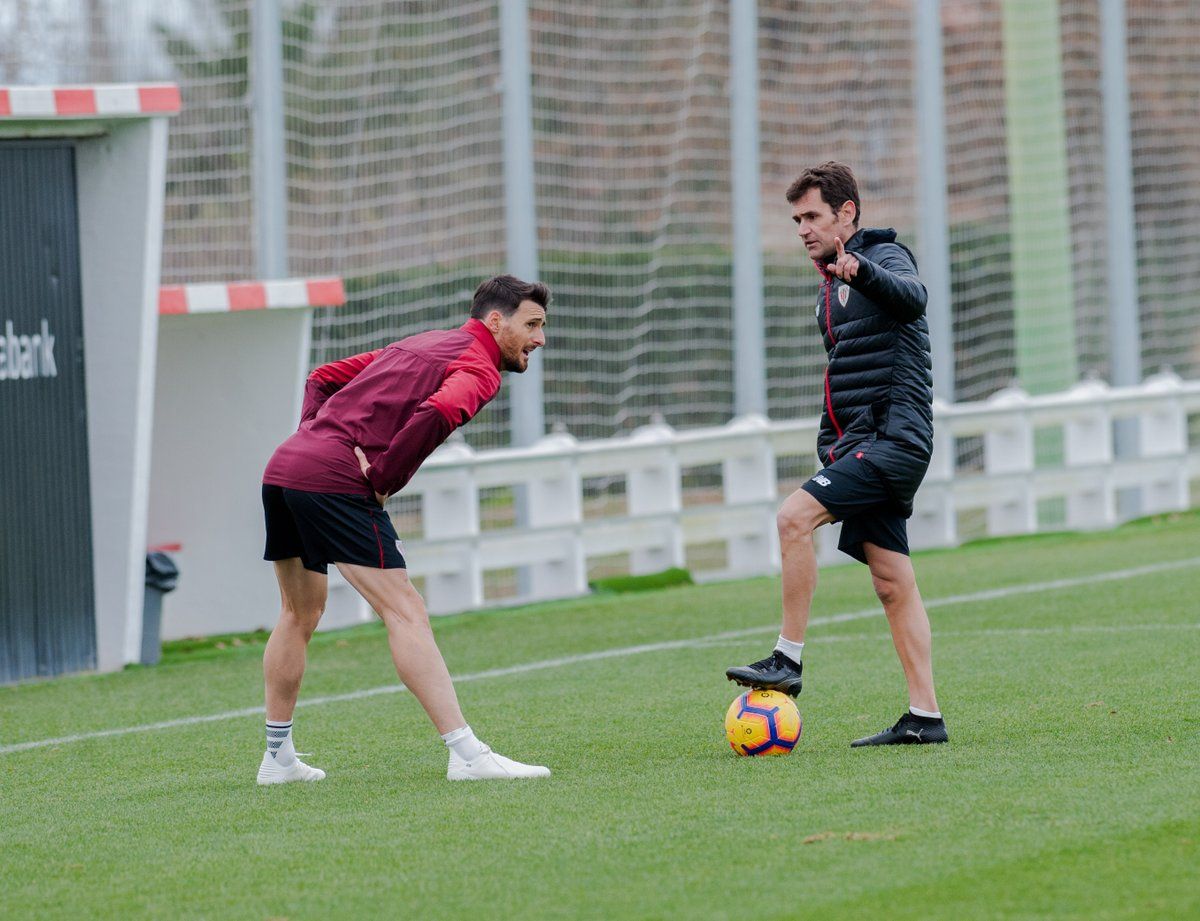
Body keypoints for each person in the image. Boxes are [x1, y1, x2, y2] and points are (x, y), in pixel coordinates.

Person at [256, 274, 553, 783]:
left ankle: (276, 759)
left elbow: (322, 377)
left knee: (297, 612)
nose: (540, 339)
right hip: (333, 480)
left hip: (284, 468)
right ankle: (467, 755)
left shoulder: (422, 341)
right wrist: (384, 478)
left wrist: (313, 436)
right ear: (495, 320)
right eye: (533, 325)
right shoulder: (479, 367)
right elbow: (438, 410)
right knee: (405, 610)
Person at [725, 162, 948, 746]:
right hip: (863, 444)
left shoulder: (884, 257)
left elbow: (912, 298)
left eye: (812, 216)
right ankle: (925, 717)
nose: (802, 228)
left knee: (793, 518)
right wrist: (831, 442)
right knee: (892, 581)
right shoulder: (828, 291)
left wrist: (863, 269)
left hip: (894, 441)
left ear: (847, 213)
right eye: (796, 218)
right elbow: (841, 378)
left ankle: (787, 661)